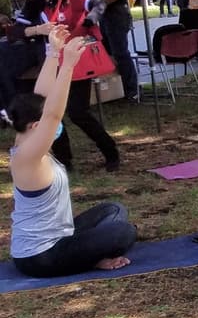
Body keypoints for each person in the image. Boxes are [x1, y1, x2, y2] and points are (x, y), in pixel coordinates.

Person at [4, 27, 137, 277]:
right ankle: (93, 260)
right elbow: (53, 113)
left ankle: (87, 253)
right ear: (36, 126)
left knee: (114, 210)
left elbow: (41, 97)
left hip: (60, 235)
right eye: (45, 123)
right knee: (124, 232)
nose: (54, 125)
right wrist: (68, 66)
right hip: (40, 256)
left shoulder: (25, 133)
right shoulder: (28, 155)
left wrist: (54, 52)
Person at [11, 0, 121, 170]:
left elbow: (98, 4)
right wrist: (37, 30)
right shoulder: (33, 4)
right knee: (49, 113)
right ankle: (64, 161)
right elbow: (15, 33)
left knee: (78, 112)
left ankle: (110, 151)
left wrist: (88, 21)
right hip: (51, 64)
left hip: (75, 61)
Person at [84, 0, 139, 102]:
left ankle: (132, 91)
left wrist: (103, 4)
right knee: (107, 52)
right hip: (106, 15)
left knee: (120, 53)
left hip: (116, 13)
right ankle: (116, 89)